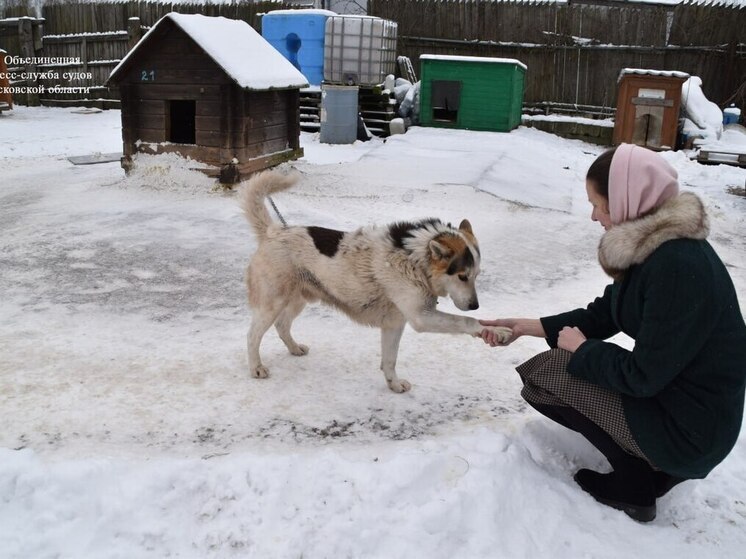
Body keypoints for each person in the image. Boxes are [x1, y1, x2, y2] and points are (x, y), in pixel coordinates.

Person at [480, 143, 746, 522]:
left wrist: (584, 350)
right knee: (556, 363)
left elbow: (642, 376)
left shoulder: (675, 266)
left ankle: (637, 484)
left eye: (598, 204)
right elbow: (608, 312)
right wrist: (527, 326)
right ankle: (655, 468)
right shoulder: (657, 246)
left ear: (625, 201)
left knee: (549, 373)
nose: (593, 216)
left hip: (693, 433)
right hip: (686, 411)